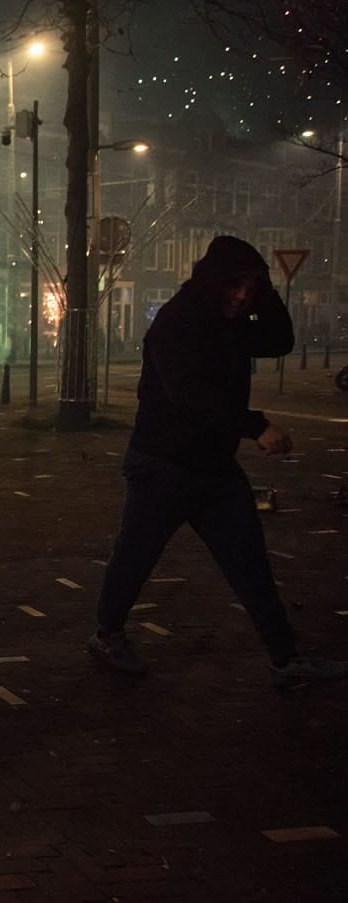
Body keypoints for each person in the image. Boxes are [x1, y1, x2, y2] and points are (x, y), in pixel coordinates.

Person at [87, 235, 346, 691]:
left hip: (214, 468)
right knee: (135, 558)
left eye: (249, 287)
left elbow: (281, 339)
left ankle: (285, 657)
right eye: (234, 285)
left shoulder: (234, 322)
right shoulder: (176, 324)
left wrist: (267, 292)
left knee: (250, 563)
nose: (241, 296)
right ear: (212, 281)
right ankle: (107, 635)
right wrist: (255, 425)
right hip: (161, 465)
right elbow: (190, 396)